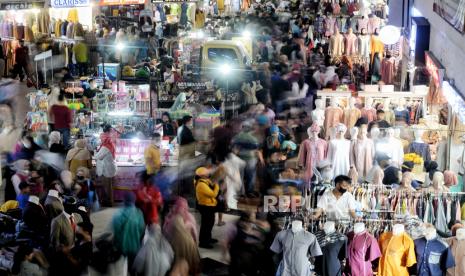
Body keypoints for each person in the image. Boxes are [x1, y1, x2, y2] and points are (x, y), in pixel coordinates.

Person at [112, 192, 145, 265]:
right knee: (132, 265)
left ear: (124, 200)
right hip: (135, 247)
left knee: (122, 266)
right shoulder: (139, 213)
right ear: (134, 200)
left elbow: (116, 232)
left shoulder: (118, 214)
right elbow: (142, 230)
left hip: (121, 248)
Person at [195, 167, 219, 248]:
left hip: (209, 206)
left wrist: (213, 182)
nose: (208, 174)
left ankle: (208, 238)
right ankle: (203, 243)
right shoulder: (201, 184)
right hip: (205, 207)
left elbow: (210, 182)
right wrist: (217, 185)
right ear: (202, 176)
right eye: (206, 173)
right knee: (206, 225)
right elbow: (213, 194)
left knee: (210, 223)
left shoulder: (204, 180)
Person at [95, 125, 117, 207]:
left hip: (106, 170)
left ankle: (108, 203)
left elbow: (98, 157)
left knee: (107, 188)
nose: (101, 139)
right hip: (108, 169)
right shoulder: (109, 144)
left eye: (102, 138)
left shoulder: (106, 146)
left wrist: (94, 154)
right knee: (109, 187)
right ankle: (108, 202)